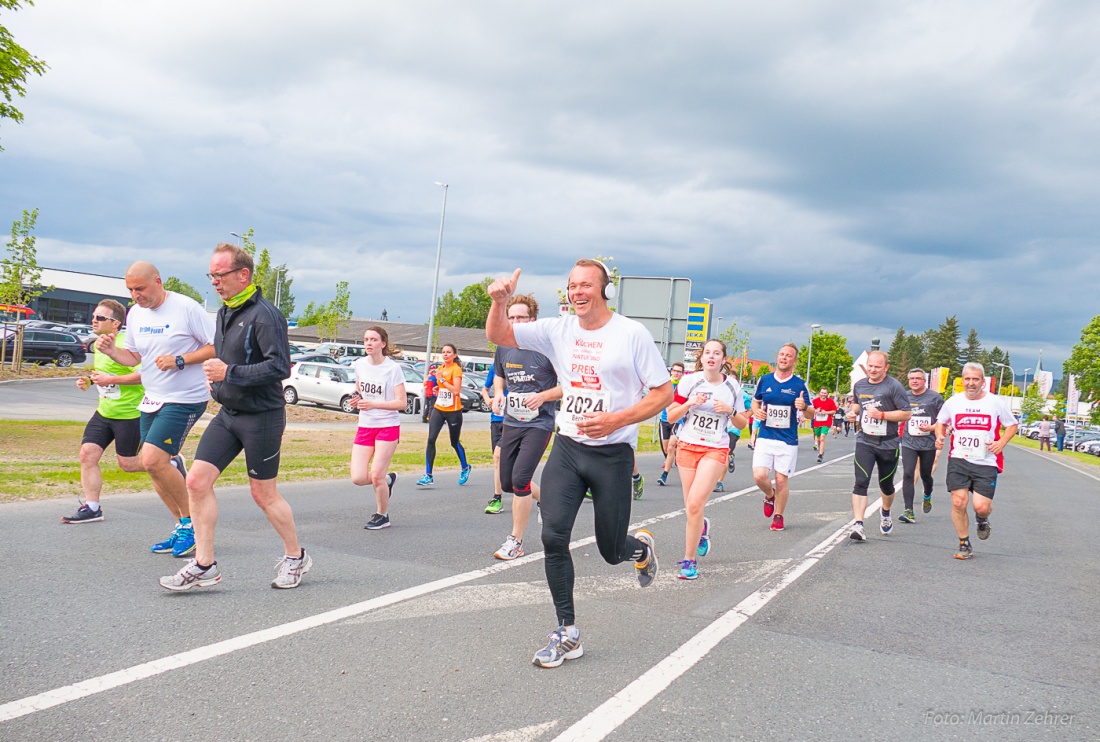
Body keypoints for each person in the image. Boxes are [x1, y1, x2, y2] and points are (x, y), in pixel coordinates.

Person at [486, 260, 672, 668]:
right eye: (572, 286)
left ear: (606, 290)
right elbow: (499, 334)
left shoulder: (631, 334)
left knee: (610, 550)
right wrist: (499, 302)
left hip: (613, 454)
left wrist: (616, 420)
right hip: (568, 447)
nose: (578, 292)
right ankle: (567, 632)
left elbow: (663, 393)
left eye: (586, 285)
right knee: (553, 536)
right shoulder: (558, 329)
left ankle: (638, 549)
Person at [159, 243, 308, 591]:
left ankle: (295, 556)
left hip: (263, 417)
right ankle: (204, 565)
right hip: (229, 414)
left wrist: (231, 373)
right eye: (210, 275)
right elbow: (223, 360)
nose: (214, 281)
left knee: (263, 494)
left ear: (243, 275)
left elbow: (279, 367)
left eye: (219, 274)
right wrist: (218, 384)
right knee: (195, 482)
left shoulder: (266, 315)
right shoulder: (226, 311)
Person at [95, 262, 215, 556]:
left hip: (185, 397)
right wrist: (111, 351)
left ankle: (193, 527)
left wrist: (180, 360)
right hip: (152, 397)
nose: (135, 295)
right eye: (130, 290)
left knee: (151, 459)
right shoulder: (136, 314)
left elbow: (217, 346)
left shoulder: (186, 308)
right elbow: (135, 356)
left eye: (141, 288)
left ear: (158, 282)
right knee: (154, 467)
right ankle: (181, 525)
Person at [666, 339, 747, 579]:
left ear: (723, 360)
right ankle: (701, 528)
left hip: (715, 448)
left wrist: (730, 411)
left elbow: (742, 423)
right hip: (687, 446)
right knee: (691, 506)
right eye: (708, 353)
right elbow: (671, 415)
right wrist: (690, 402)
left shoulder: (732, 386)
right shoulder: (689, 381)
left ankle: (689, 561)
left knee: (694, 504)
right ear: (701, 358)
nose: (711, 357)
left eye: (717, 353)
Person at [490, 294, 561, 559]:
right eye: (512, 318)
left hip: (539, 423)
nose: (516, 322)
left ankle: (515, 542)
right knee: (508, 482)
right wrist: (499, 393)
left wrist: (542, 397)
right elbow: (499, 374)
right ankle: (544, 500)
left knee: (520, 480)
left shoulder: (548, 349)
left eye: (521, 317)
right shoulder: (504, 346)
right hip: (511, 420)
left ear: (533, 320)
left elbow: (569, 385)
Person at [62, 300, 145, 523]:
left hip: (129, 414)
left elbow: (143, 375)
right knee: (87, 454)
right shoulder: (100, 343)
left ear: (115, 323)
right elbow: (104, 374)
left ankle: (171, 462)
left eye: (100, 317)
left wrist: (111, 379)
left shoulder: (126, 345)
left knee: (127, 464)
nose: (93, 320)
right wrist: (89, 380)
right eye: (94, 316)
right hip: (104, 412)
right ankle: (92, 507)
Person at [934, 362, 1018, 560]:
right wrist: (939, 436)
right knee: (958, 502)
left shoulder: (995, 402)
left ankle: (982, 519)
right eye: (967, 379)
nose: (971, 383)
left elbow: (1012, 424)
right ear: (962, 380)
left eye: (975, 379)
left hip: (985, 461)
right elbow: (941, 422)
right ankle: (964, 544)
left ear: (983, 381)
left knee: (980, 506)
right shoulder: (953, 402)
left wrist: (1002, 442)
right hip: (959, 459)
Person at [845, 350, 911, 541]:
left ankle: (886, 511)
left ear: (886, 368)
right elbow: (858, 405)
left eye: (877, 367)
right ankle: (858, 524)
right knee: (860, 482)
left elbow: (906, 414)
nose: (873, 370)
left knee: (886, 485)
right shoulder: (860, 385)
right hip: (865, 440)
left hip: (888, 443)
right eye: (870, 366)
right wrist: (853, 413)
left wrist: (882, 415)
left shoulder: (894, 387)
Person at [350, 326, 406, 530]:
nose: (368, 343)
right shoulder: (359, 365)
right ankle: (388, 480)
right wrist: (357, 399)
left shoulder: (393, 369)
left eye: (373, 339)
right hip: (365, 425)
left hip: (387, 426)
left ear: (383, 343)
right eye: (366, 339)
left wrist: (375, 404)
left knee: (375, 475)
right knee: (357, 477)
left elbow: (402, 403)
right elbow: (360, 390)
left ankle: (382, 515)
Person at [751, 343, 811, 532]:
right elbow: (755, 402)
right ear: (777, 357)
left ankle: (778, 515)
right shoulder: (765, 380)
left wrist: (803, 406)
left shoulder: (799, 384)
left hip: (787, 439)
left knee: (781, 479)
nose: (784, 358)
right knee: (760, 476)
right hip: (766, 435)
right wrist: (757, 413)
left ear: (794, 361)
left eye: (788, 355)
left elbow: (810, 413)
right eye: (781, 354)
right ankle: (770, 495)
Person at [417, 344, 472, 486]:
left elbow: (456, 390)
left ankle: (465, 467)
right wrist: (437, 387)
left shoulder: (456, 369)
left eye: (449, 352)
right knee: (431, 439)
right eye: (444, 352)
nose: (445, 354)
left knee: (454, 442)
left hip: (453, 412)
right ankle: (428, 475)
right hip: (439, 409)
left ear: (454, 355)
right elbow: (442, 388)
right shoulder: (440, 369)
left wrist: (441, 381)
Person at [898, 368, 944, 523]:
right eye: (911, 378)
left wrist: (931, 428)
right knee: (908, 473)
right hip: (909, 442)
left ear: (924, 381)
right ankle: (908, 510)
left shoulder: (934, 398)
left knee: (925, 475)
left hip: (928, 443)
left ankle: (927, 494)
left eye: (918, 378)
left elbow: (944, 421)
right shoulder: (904, 396)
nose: (914, 381)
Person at [482, 363, 507, 514]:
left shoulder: (518, 365)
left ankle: (497, 497)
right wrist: (487, 399)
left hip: (513, 420)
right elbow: (485, 388)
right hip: (496, 419)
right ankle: (497, 498)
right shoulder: (495, 367)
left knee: (499, 456)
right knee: (498, 461)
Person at [656, 363, 685, 487]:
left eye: (679, 371)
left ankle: (664, 475)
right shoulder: (666, 385)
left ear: (682, 374)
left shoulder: (684, 386)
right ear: (671, 371)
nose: (676, 373)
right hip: (664, 419)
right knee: (666, 448)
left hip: (677, 420)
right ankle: (676, 456)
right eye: (674, 371)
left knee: (670, 447)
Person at [810, 388, 837, 463]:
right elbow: (810, 410)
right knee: (818, 439)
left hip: (826, 422)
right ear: (819, 393)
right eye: (822, 393)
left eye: (825, 393)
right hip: (817, 422)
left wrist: (826, 412)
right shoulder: (815, 401)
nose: (823, 394)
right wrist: (816, 411)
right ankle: (820, 450)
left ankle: (820, 454)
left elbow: (834, 411)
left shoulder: (830, 402)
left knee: (822, 438)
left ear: (827, 394)